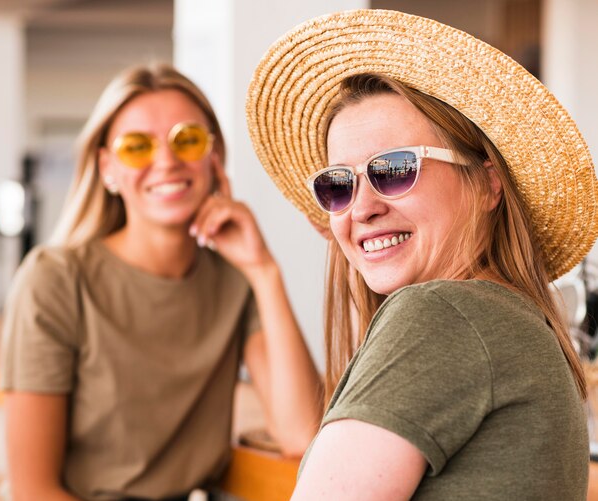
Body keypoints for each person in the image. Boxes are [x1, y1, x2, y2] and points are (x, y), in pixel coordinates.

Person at [246, 9, 598, 500]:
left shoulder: (443, 317)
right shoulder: (511, 323)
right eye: (339, 184)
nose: (363, 207)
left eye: (394, 169)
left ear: (488, 182)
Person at [0, 63, 322, 501]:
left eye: (185, 140)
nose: (166, 161)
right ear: (107, 168)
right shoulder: (55, 280)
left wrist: (263, 271)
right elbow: (33, 491)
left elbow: (301, 436)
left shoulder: (236, 282)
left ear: (214, 158)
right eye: (137, 147)